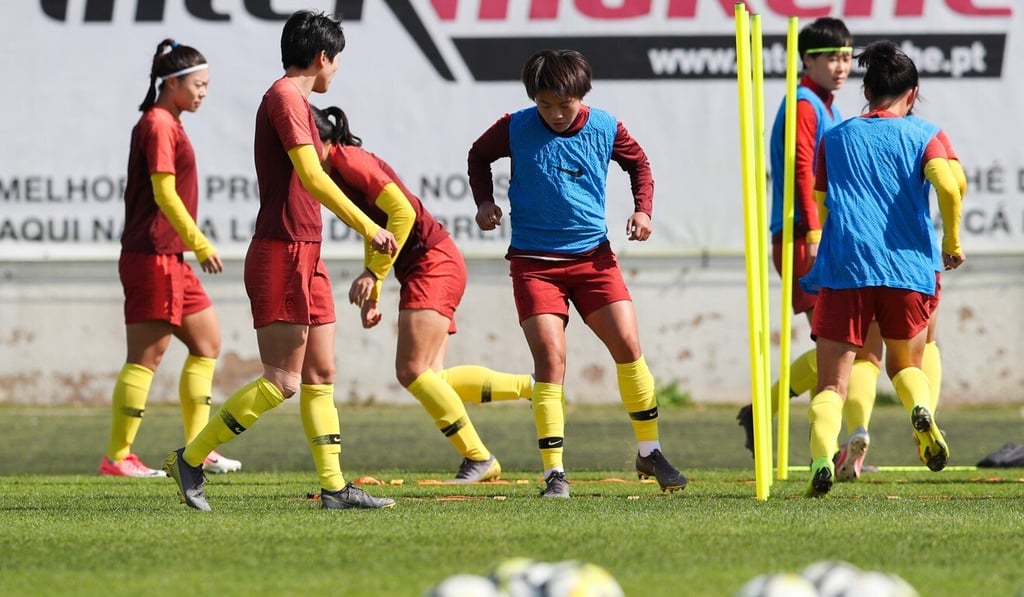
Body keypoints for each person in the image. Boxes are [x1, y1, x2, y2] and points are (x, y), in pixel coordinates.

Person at [163, 10, 398, 511]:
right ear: (322, 57)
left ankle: (334, 488)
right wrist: (369, 227)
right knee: (282, 382)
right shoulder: (285, 98)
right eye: (337, 60)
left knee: (321, 373)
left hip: (307, 251)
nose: (337, 70)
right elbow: (312, 178)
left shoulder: (299, 102)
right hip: (281, 251)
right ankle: (190, 460)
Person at [468, 49, 688, 498]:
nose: (553, 114)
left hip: (593, 260)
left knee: (628, 346)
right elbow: (478, 156)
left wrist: (643, 211)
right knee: (551, 360)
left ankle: (649, 451)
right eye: (543, 104)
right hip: (534, 265)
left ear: (581, 94)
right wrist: (484, 201)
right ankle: (555, 474)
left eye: (563, 105)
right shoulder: (515, 126)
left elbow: (639, 164)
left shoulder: (606, 126)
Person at [310, 104, 534, 483]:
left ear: (322, 139)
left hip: (433, 263)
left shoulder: (347, 160)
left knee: (411, 371)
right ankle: (534, 387)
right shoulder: (339, 166)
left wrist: (373, 274)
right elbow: (376, 230)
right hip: (431, 262)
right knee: (432, 377)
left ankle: (479, 458)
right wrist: (374, 290)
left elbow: (403, 214)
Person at [800, 40, 965, 497]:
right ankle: (920, 411)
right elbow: (949, 187)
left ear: (867, 91)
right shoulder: (924, 134)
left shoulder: (836, 137)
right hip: (908, 269)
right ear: (912, 94)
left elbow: (821, 201)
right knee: (905, 365)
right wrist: (951, 241)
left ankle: (822, 460)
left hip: (846, 269)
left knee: (832, 383)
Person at [102, 39, 242, 478]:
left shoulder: (170, 122)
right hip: (153, 256)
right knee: (146, 357)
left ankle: (198, 451)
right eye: (198, 85)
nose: (204, 93)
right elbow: (164, 193)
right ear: (172, 83)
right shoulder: (158, 124)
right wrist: (200, 244)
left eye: (207, 85)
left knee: (207, 343)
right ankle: (118, 457)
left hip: (171, 258)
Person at [736, 17, 854, 458]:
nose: (841, 66)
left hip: (822, 236)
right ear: (807, 59)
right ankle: (828, 449)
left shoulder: (826, 104)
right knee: (838, 347)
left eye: (846, 57)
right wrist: (816, 233)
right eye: (831, 58)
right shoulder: (806, 104)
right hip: (803, 237)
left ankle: (763, 411)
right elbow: (802, 171)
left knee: (844, 347)